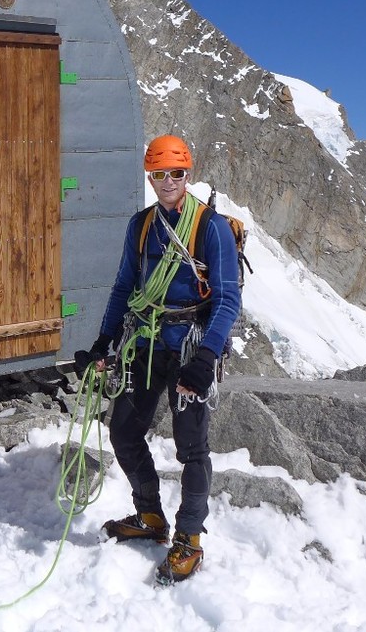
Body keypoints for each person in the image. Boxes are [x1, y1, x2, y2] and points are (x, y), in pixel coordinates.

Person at [74, 134, 241, 583]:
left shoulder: (211, 228)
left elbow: (227, 300)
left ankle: (189, 537)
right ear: (150, 177)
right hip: (146, 343)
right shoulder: (142, 225)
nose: (168, 182)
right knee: (124, 430)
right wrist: (102, 343)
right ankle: (150, 516)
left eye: (177, 174)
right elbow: (123, 287)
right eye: (160, 174)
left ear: (190, 174)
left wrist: (206, 358)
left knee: (191, 448)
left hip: (191, 344)